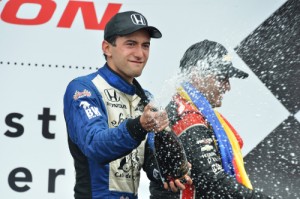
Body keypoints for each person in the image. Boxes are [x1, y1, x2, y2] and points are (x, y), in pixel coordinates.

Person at [63, 11, 191, 199]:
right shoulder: (84, 89)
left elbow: (149, 161)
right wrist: (139, 126)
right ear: (107, 48)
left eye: (145, 45)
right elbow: (94, 145)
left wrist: (168, 172)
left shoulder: (146, 98)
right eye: (130, 44)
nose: (140, 54)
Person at [149, 40, 272, 198]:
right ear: (196, 75)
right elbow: (213, 181)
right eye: (222, 78)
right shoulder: (188, 118)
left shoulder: (186, 108)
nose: (228, 86)